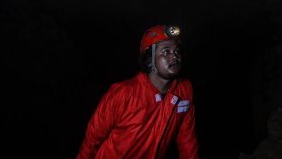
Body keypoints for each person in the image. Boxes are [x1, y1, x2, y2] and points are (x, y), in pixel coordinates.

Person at [77, 25, 199, 159]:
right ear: (150, 59)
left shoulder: (184, 91)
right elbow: (92, 140)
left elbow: (187, 142)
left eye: (177, 51)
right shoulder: (123, 93)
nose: (174, 57)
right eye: (165, 51)